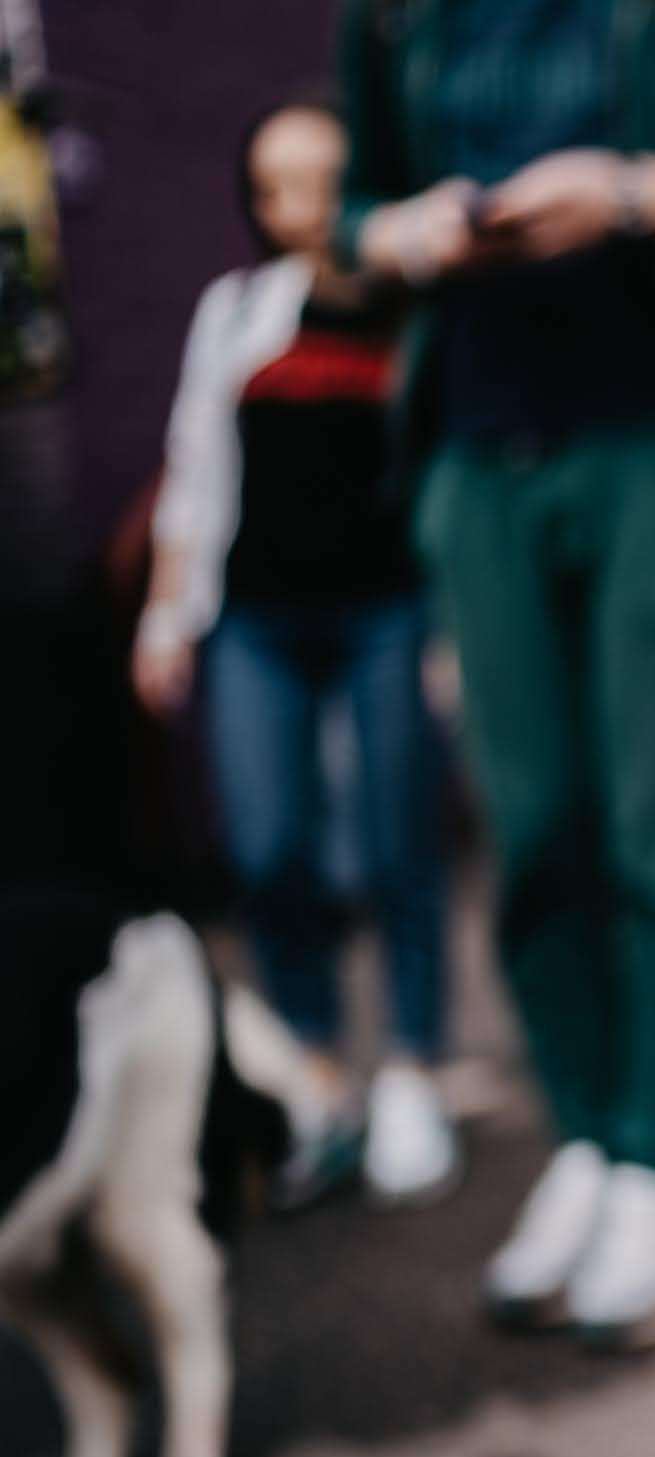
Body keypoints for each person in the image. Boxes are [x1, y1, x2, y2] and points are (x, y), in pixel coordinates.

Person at [332, 0, 655, 1348]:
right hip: (472, 453)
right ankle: (591, 1144)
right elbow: (348, 212)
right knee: (535, 828)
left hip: (652, 439)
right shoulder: (392, 14)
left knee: (653, 833)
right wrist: (409, 230)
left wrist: (624, 190)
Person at [140, 100, 455, 1208]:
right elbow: (193, 464)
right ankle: (317, 1074)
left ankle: (413, 1066)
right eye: (278, 186)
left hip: (390, 613)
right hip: (256, 621)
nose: (304, 206)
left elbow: (450, 480)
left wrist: (455, 632)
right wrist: (164, 619)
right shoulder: (236, 311)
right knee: (269, 850)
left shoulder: (417, 310)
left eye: (324, 177)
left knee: (395, 843)